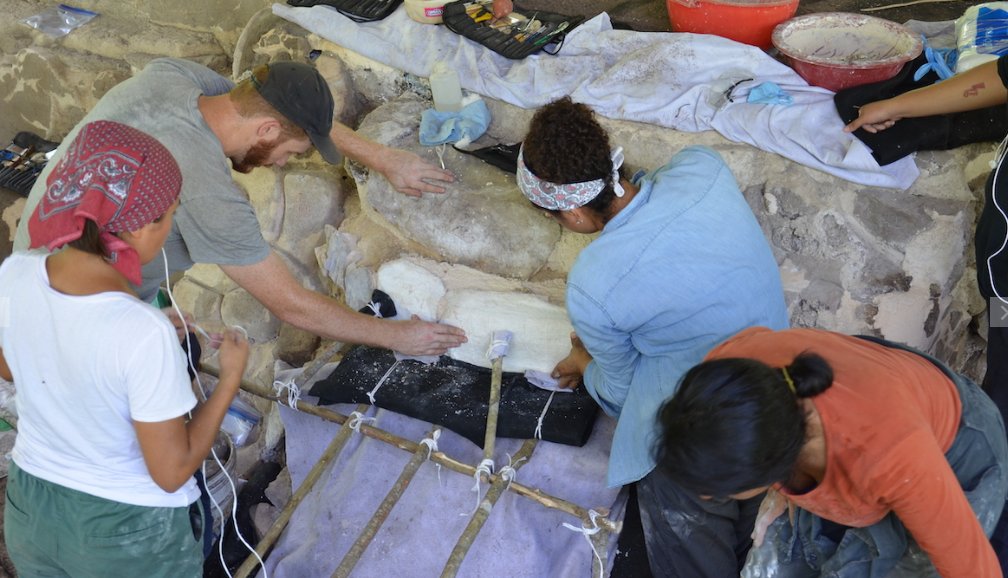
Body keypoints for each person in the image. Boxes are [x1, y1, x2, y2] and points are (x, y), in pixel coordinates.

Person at [13, 58, 466, 357]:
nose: (287, 162)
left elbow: (285, 112)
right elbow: (292, 305)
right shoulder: (206, 188)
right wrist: (398, 336)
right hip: (70, 324)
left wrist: (381, 157)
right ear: (267, 130)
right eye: (293, 152)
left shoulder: (174, 79)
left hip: (35, 260)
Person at [517, 97, 789, 577]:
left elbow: (621, 396)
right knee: (743, 519)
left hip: (701, 432)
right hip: (774, 391)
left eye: (551, 216)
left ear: (576, 215)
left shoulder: (593, 282)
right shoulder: (701, 166)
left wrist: (584, 364)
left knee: (692, 544)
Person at [0, 120, 250, 577]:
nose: (170, 225)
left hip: (32, 510)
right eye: (169, 213)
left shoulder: (15, 272)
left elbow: (12, 368)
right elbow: (172, 471)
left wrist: (143, 333)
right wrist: (229, 380)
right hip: (124, 534)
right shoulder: (140, 332)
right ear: (139, 228)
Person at [655, 326, 1008, 578]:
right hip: (875, 401)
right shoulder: (725, 378)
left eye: (718, 487)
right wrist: (784, 490)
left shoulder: (889, 452)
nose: (703, 495)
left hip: (954, 448)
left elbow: (970, 566)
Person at [844, 55, 1008, 567]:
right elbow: (998, 78)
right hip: (1005, 293)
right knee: (1002, 386)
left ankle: (987, 551)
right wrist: (897, 104)